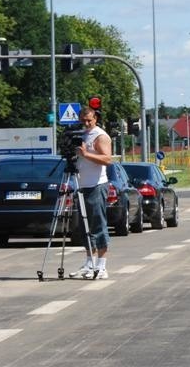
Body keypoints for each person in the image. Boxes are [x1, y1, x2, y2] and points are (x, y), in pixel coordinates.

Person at [69, 106, 113, 279]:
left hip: (96, 186)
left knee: (97, 225)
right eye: (83, 120)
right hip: (81, 186)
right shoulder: (81, 134)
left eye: (89, 120)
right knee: (84, 227)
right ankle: (89, 263)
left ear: (95, 119)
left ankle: (102, 266)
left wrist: (86, 154)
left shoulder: (100, 135)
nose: (86, 123)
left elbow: (107, 159)